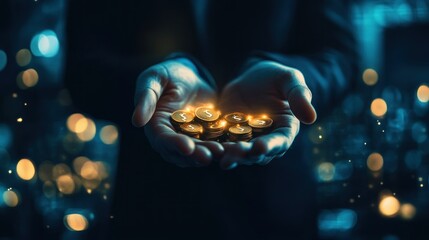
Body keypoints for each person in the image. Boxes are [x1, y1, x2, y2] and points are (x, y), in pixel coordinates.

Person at [65, 0, 357, 239]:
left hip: (274, 208)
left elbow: (339, 56)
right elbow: (83, 67)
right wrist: (148, 87)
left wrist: (294, 81)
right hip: (153, 207)